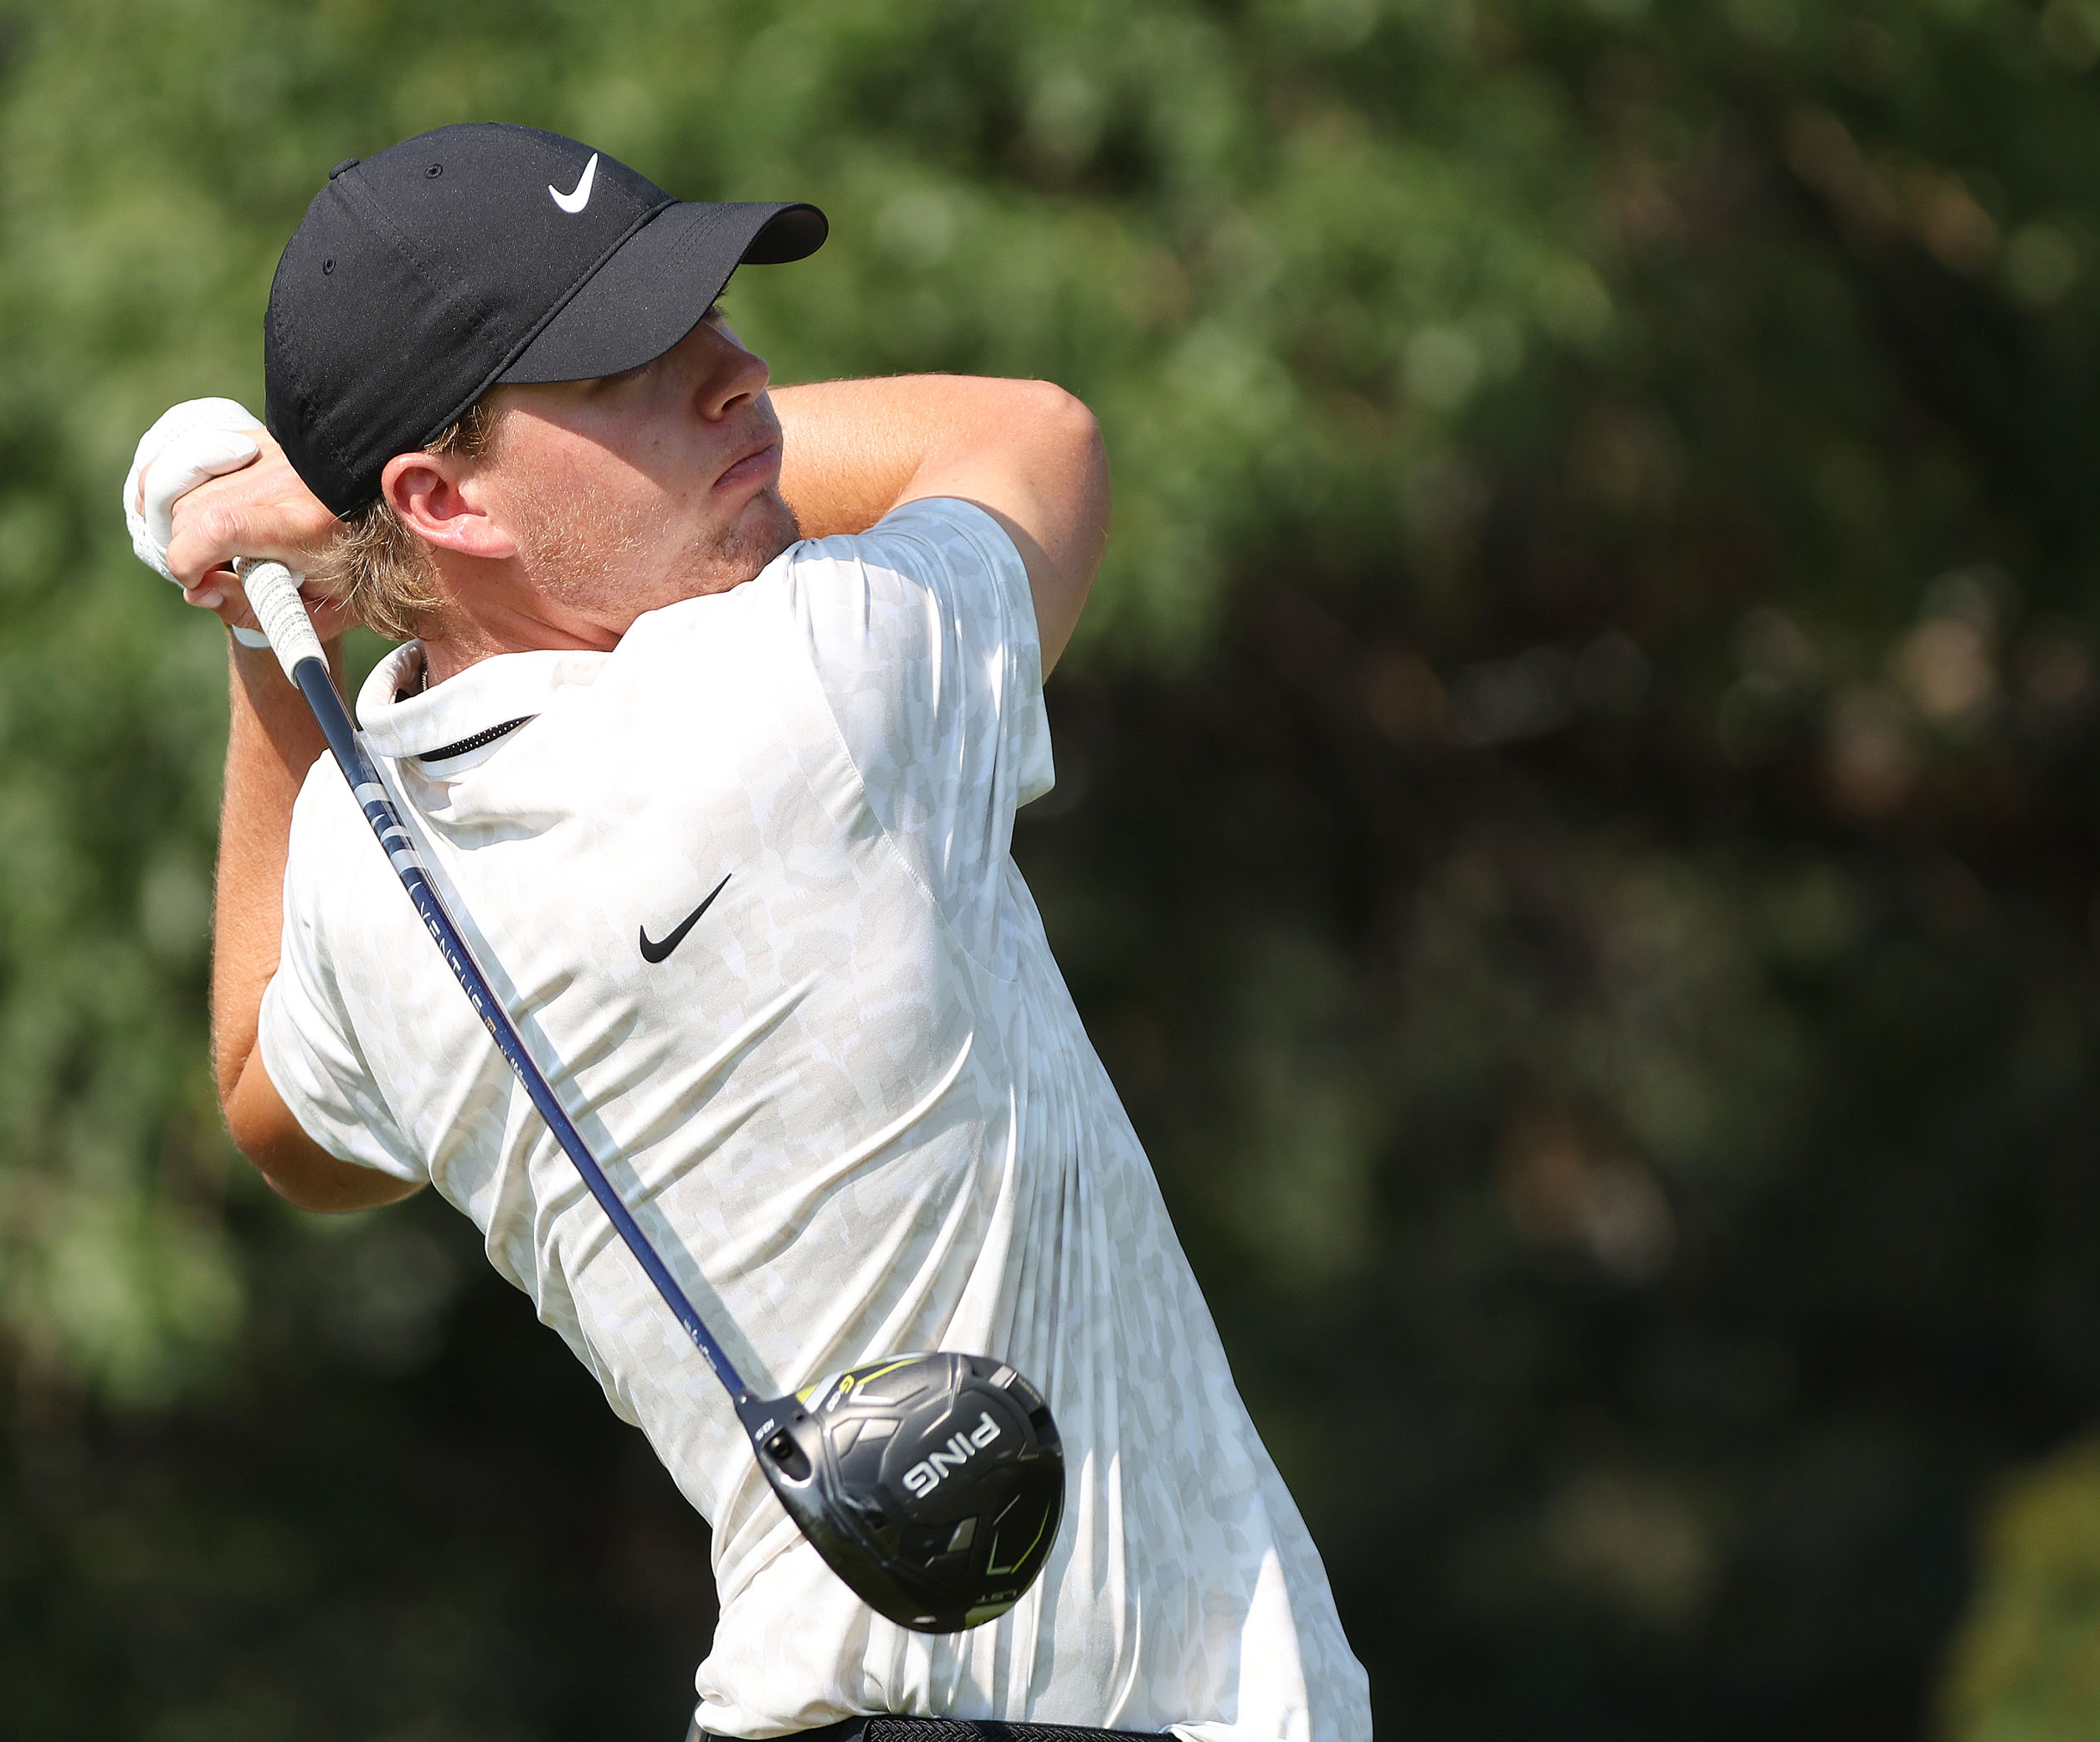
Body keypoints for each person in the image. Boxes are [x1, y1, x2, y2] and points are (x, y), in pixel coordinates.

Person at [124, 123, 1368, 1742]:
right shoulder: (810, 686)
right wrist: (313, 516)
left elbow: (272, 1107)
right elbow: (1032, 433)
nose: (740, 371)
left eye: (706, 313)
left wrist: (279, 621)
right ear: (445, 496)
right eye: (636, 361)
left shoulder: (371, 901)